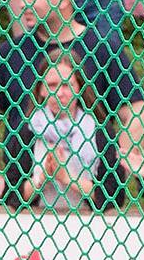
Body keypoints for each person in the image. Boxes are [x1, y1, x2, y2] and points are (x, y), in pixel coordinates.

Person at [0, 0, 144, 208]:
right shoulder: (11, 53)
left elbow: (136, 111)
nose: (23, 3)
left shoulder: (102, 49)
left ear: (63, 0)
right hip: (26, 200)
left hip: (92, 201)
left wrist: (117, 164)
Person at [28, 48, 97, 211]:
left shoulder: (98, 129)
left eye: (67, 85)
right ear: (41, 89)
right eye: (52, 85)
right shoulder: (28, 130)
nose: (60, 93)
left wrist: (67, 178)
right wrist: (43, 177)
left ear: (79, 87)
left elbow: (113, 195)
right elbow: (11, 195)